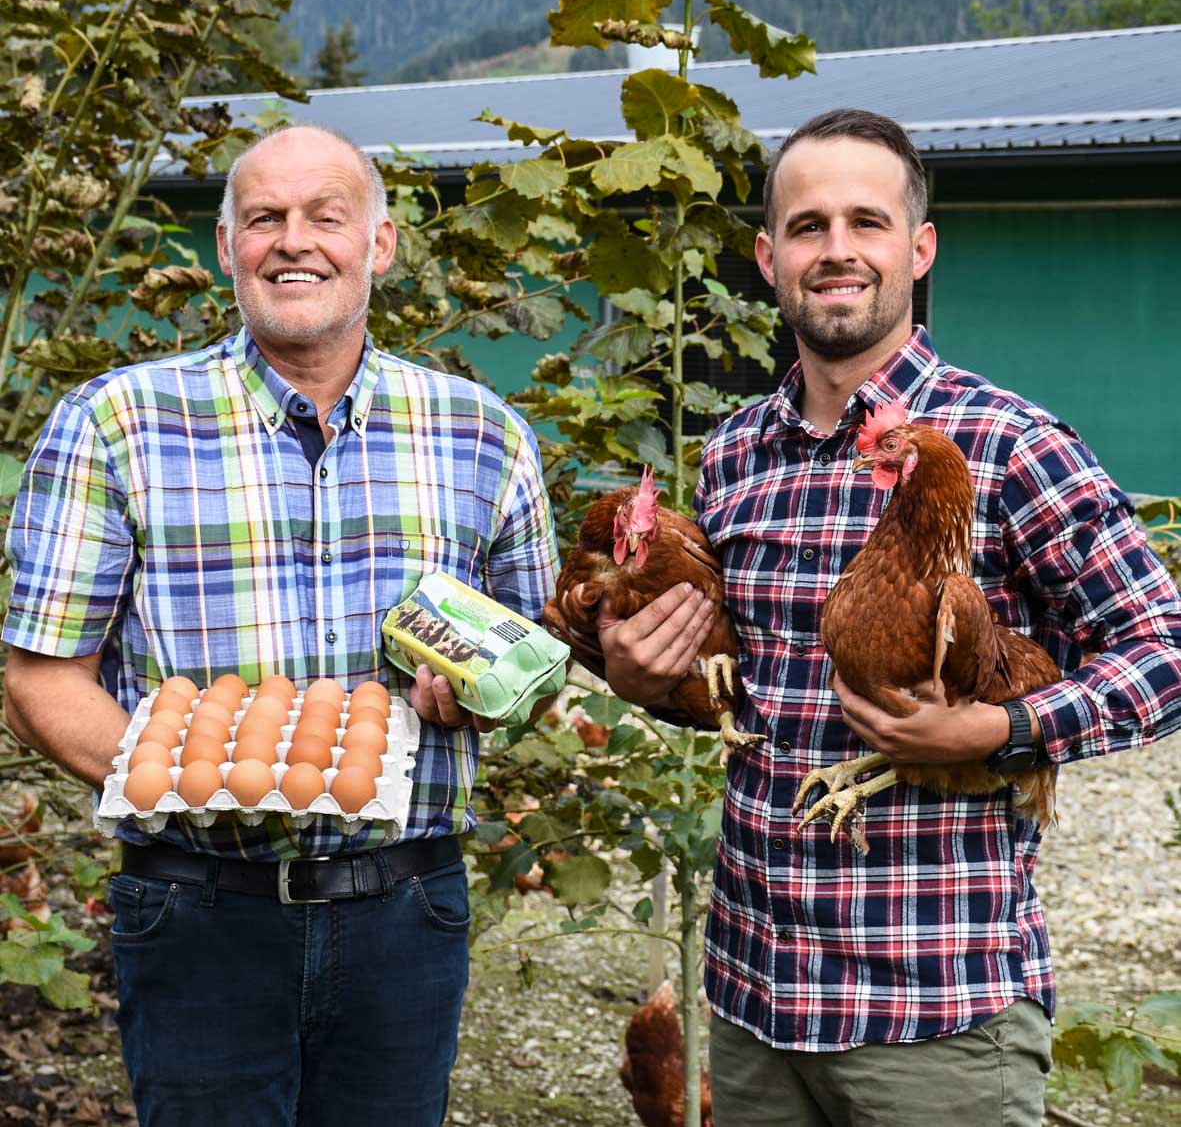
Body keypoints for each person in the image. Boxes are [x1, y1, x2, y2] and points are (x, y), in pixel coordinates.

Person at [598, 107, 1181, 1126]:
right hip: (752, 1001)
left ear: (917, 250)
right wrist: (653, 685)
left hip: (934, 1011)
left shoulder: (1007, 443)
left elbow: (1162, 649)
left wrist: (996, 729)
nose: (835, 251)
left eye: (865, 222)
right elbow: (757, 698)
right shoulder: (734, 455)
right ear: (766, 254)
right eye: (807, 224)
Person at [3, 124, 558, 1127]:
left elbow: (532, 664)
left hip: (404, 907)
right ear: (227, 249)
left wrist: (479, 694)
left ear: (379, 246)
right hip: (195, 906)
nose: (292, 241)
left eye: (325, 217)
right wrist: (191, 772)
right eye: (263, 218)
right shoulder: (116, 423)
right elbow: (41, 680)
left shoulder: (483, 436)